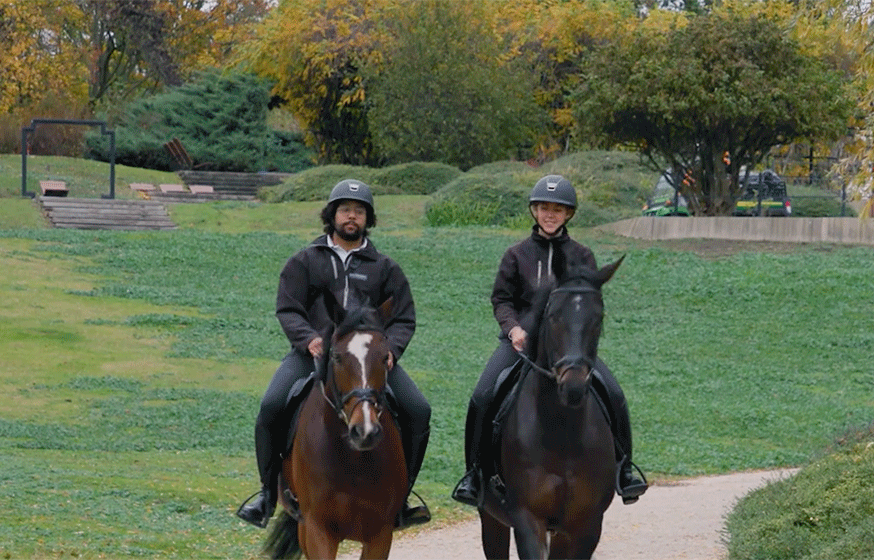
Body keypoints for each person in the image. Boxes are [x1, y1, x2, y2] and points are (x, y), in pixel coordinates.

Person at [236, 179, 432, 529]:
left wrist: (392, 351)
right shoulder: (305, 261)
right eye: (345, 210)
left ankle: (401, 499)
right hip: (312, 354)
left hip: (368, 360)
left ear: (367, 219)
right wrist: (307, 338)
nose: (351, 216)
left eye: (359, 211)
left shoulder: (385, 267)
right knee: (270, 406)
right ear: (332, 215)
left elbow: (404, 317)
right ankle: (267, 494)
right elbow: (288, 308)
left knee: (418, 409)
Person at [451, 174, 648, 507]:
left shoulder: (582, 255)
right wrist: (513, 328)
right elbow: (501, 298)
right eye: (544, 208)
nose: (550, 215)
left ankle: (624, 469)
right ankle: (474, 473)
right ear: (534, 211)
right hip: (520, 344)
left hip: (569, 347)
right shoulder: (516, 254)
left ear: (568, 214)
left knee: (613, 393)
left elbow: (588, 302)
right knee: (482, 395)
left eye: (558, 209)